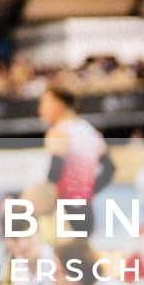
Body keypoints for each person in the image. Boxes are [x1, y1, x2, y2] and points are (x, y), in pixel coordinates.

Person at [37, 86, 107, 237]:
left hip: (64, 211)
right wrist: (86, 192)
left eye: (44, 103)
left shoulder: (58, 132)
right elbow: (109, 169)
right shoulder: (89, 130)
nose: (40, 110)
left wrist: (42, 205)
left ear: (58, 104)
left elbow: (54, 173)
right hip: (86, 209)